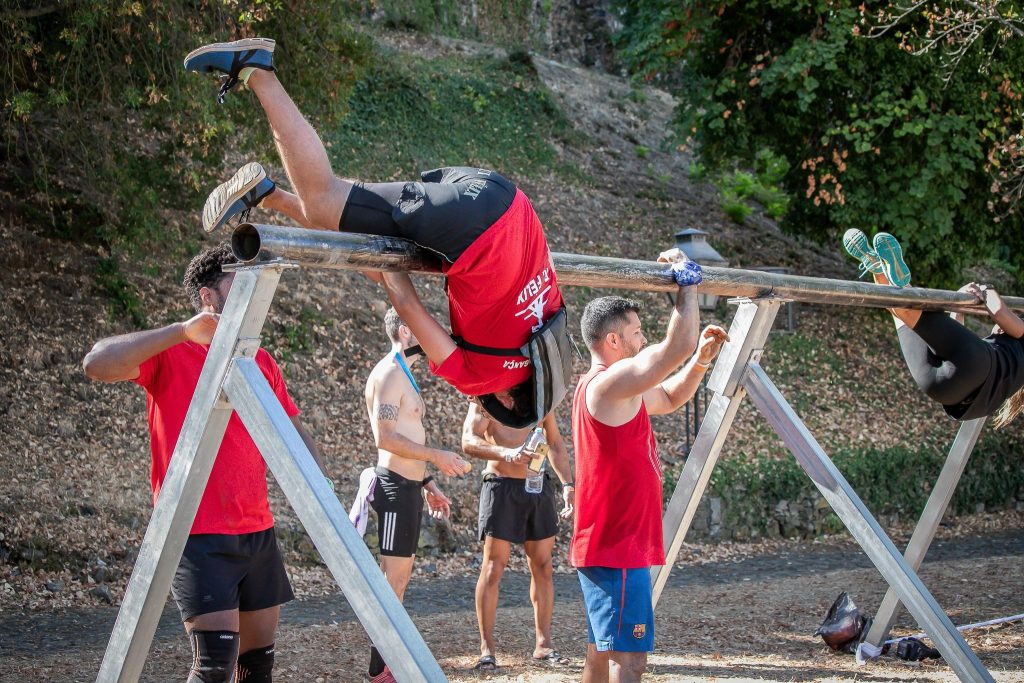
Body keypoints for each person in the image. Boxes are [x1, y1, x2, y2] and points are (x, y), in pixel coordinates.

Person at [184, 38, 564, 426]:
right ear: (509, 401)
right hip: (473, 232)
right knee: (323, 200)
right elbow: (408, 305)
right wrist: (379, 265)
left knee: (361, 226)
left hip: (504, 202)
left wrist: (375, 260)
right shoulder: (482, 378)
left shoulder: (549, 314)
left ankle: (267, 193)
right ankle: (257, 70)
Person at [82, 244, 325, 683]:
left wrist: (319, 488)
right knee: (214, 667)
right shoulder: (171, 352)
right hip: (195, 533)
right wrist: (180, 331)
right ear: (208, 297)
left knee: (257, 668)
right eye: (239, 285)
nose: (252, 297)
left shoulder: (260, 360)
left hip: (257, 531)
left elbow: (293, 433)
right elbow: (96, 363)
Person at [570, 249, 729, 683]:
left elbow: (673, 396)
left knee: (600, 654)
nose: (643, 340)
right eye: (637, 333)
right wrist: (687, 284)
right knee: (630, 660)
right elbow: (675, 345)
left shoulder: (622, 393)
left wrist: (699, 362)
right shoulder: (607, 384)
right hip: (616, 545)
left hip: (612, 543)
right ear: (613, 342)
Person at [355, 307, 468, 683]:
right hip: (393, 488)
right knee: (393, 584)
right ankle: (380, 669)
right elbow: (384, 439)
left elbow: (403, 438)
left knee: (398, 582)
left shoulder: (402, 374)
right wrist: (435, 455)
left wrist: (426, 482)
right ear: (405, 331)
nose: (429, 335)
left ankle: (386, 662)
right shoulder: (389, 374)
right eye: (421, 328)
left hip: (408, 486)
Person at [844, 229, 1024, 425]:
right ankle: (877, 266)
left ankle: (891, 274)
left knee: (906, 310)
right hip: (946, 392)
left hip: (977, 364)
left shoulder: (1011, 344)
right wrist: (959, 308)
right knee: (900, 313)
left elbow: (998, 313)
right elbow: (954, 355)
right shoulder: (1014, 370)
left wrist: (985, 289)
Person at [461, 401, 574, 671]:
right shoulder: (485, 398)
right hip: (501, 487)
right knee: (493, 567)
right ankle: (487, 649)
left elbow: (555, 443)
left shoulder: (538, 397)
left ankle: (543, 645)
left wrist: (568, 484)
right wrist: (507, 453)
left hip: (537, 485)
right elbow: (468, 440)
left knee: (543, 566)